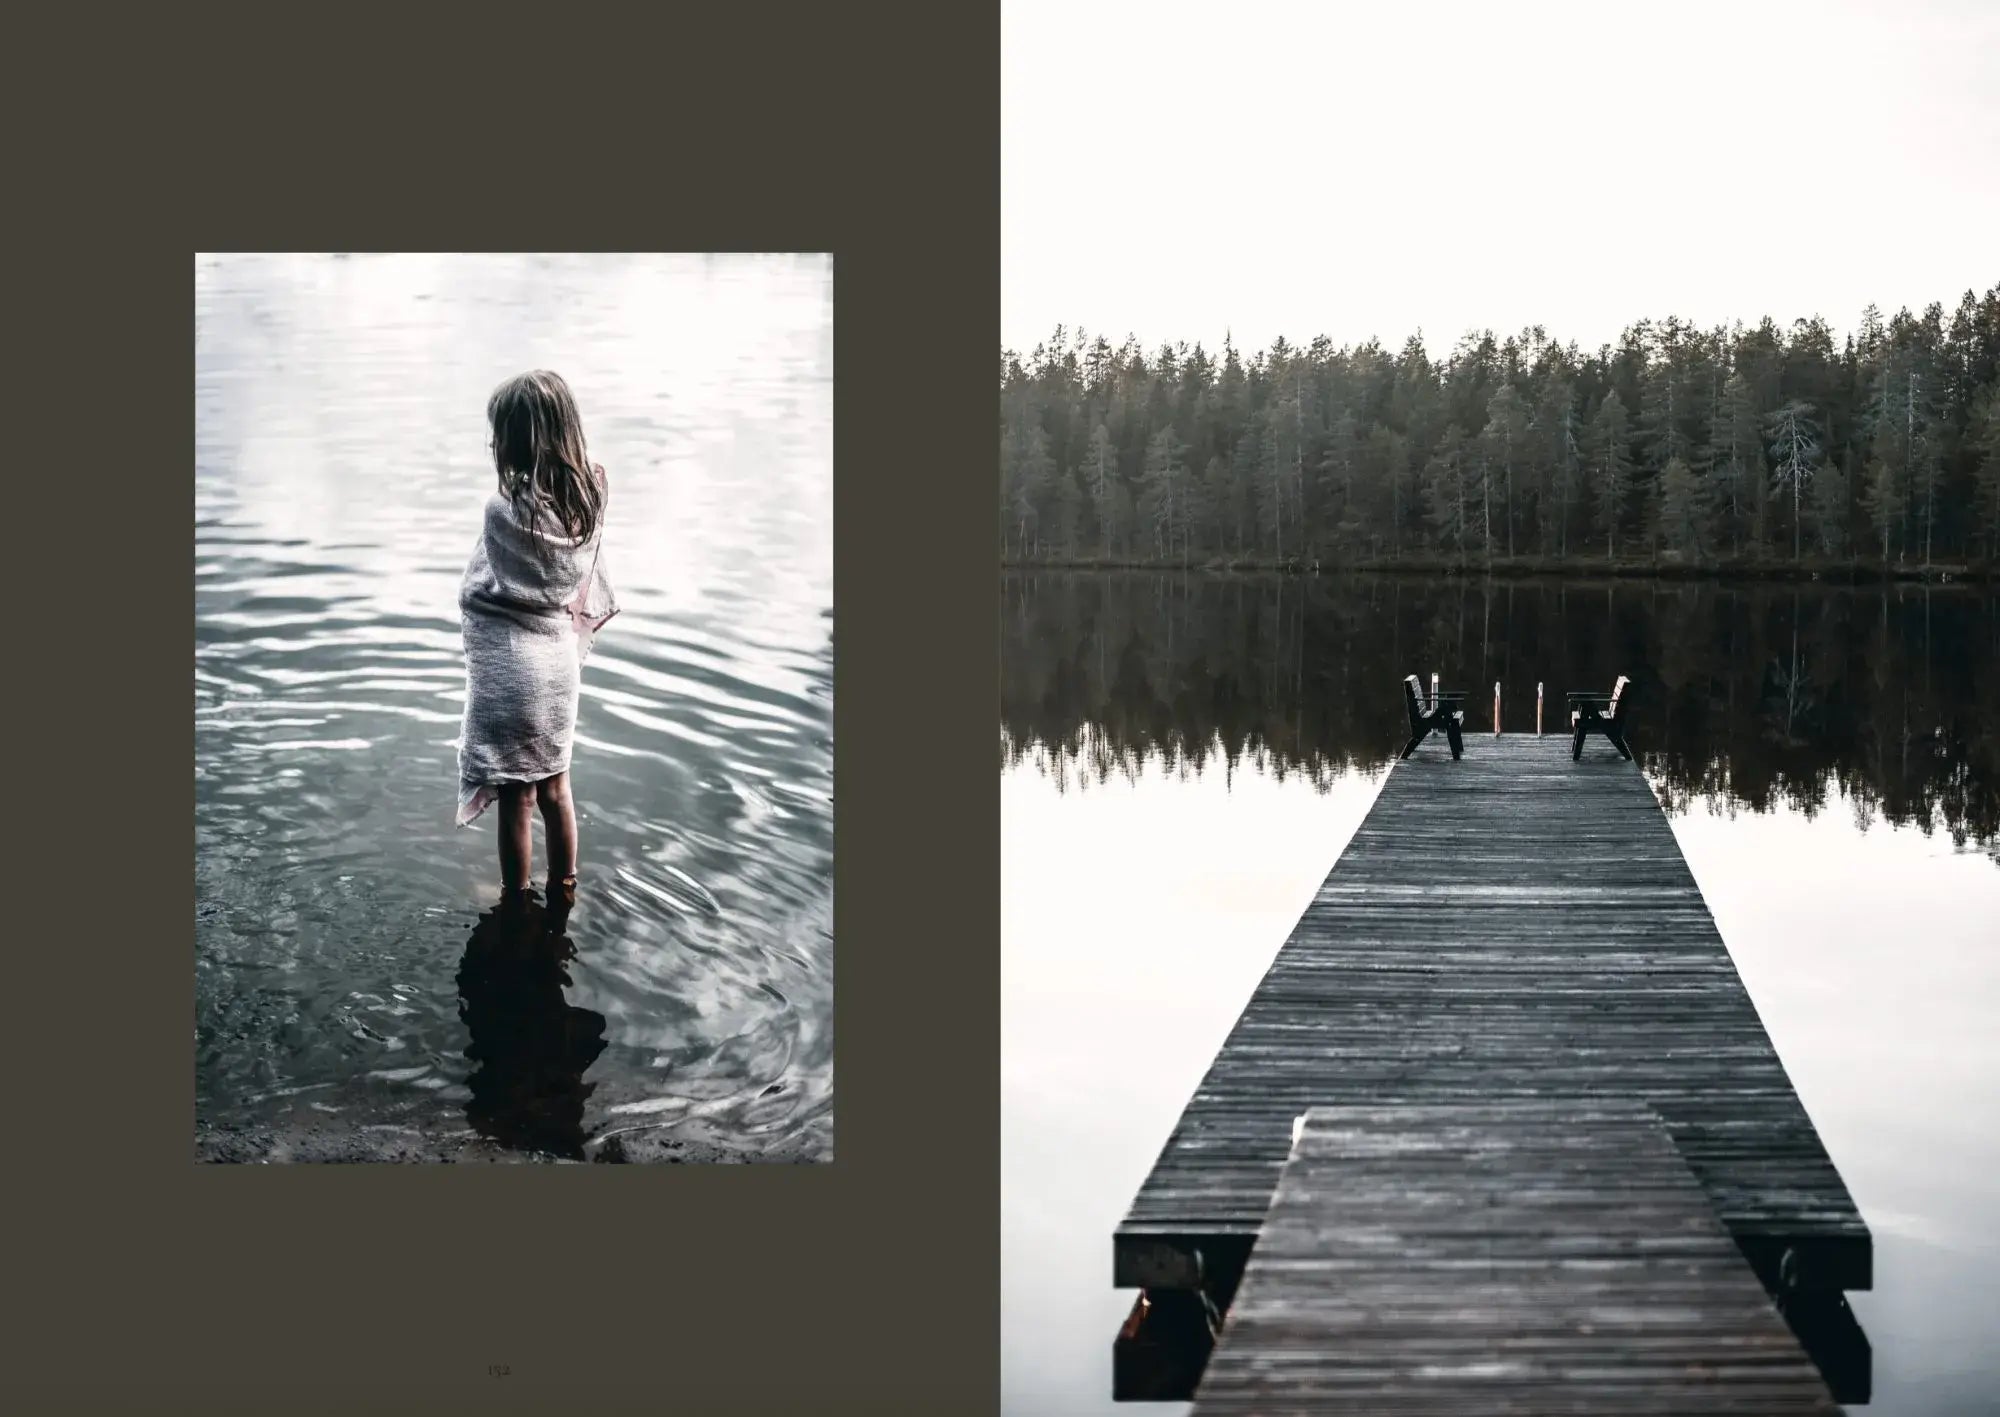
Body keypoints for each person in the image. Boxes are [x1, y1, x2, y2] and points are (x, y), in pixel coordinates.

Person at [456, 370, 619, 903]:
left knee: (516, 800)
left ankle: (514, 895)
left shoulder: (501, 511)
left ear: (514, 440)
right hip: (558, 665)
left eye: (498, 433)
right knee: (557, 788)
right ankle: (566, 885)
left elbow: (492, 581)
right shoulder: (589, 498)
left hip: (513, 669)